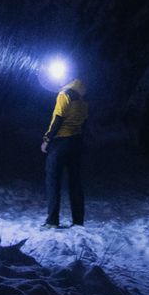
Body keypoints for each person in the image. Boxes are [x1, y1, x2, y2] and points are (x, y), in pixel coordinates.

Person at [42, 77, 87, 227]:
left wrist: (47, 139)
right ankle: (78, 221)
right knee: (75, 182)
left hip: (60, 142)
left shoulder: (64, 95)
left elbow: (57, 119)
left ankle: (52, 220)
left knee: (53, 180)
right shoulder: (82, 98)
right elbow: (84, 122)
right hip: (76, 142)